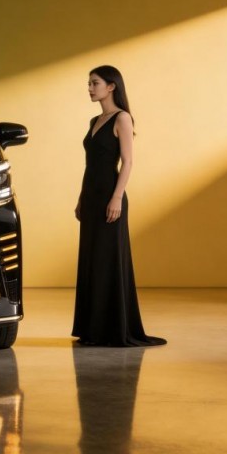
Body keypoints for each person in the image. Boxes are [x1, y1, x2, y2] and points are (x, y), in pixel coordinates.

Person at [72, 65, 166, 347]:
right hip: (91, 197)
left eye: (95, 83)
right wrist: (81, 198)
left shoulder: (122, 118)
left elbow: (128, 161)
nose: (90, 88)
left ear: (111, 86)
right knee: (92, 259)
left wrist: (116, 197)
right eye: (89, 83)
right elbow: (90, 165)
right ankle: (92, 329)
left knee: (107, 260)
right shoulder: (94, 120)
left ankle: (111, 330)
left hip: (109, 196)